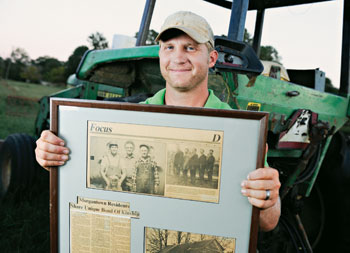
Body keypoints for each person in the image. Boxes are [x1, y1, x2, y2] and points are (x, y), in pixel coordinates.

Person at [35, 11, 281, 232]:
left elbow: (268, 222)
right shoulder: (133, 118)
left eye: (190, 48)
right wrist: (55, 156)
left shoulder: (240, 130)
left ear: (212, 58)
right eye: (169, 47)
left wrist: (268, 197)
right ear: (160, 55)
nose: (178, 57)